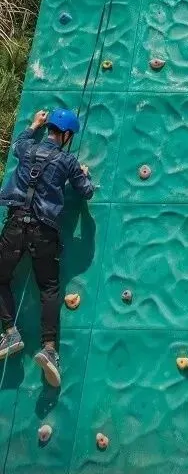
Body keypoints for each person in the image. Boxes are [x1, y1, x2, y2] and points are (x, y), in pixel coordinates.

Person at [0, 107, 94, 387]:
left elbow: (18, 143)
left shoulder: (26, 148)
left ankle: (10, 332)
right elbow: (86, 191)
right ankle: (49, 349)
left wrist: (33, 124)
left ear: (50, 128)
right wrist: (84, 174)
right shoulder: (68, 161)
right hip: (44, 231)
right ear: (67, 135)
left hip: (16, 224)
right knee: (49, 289)